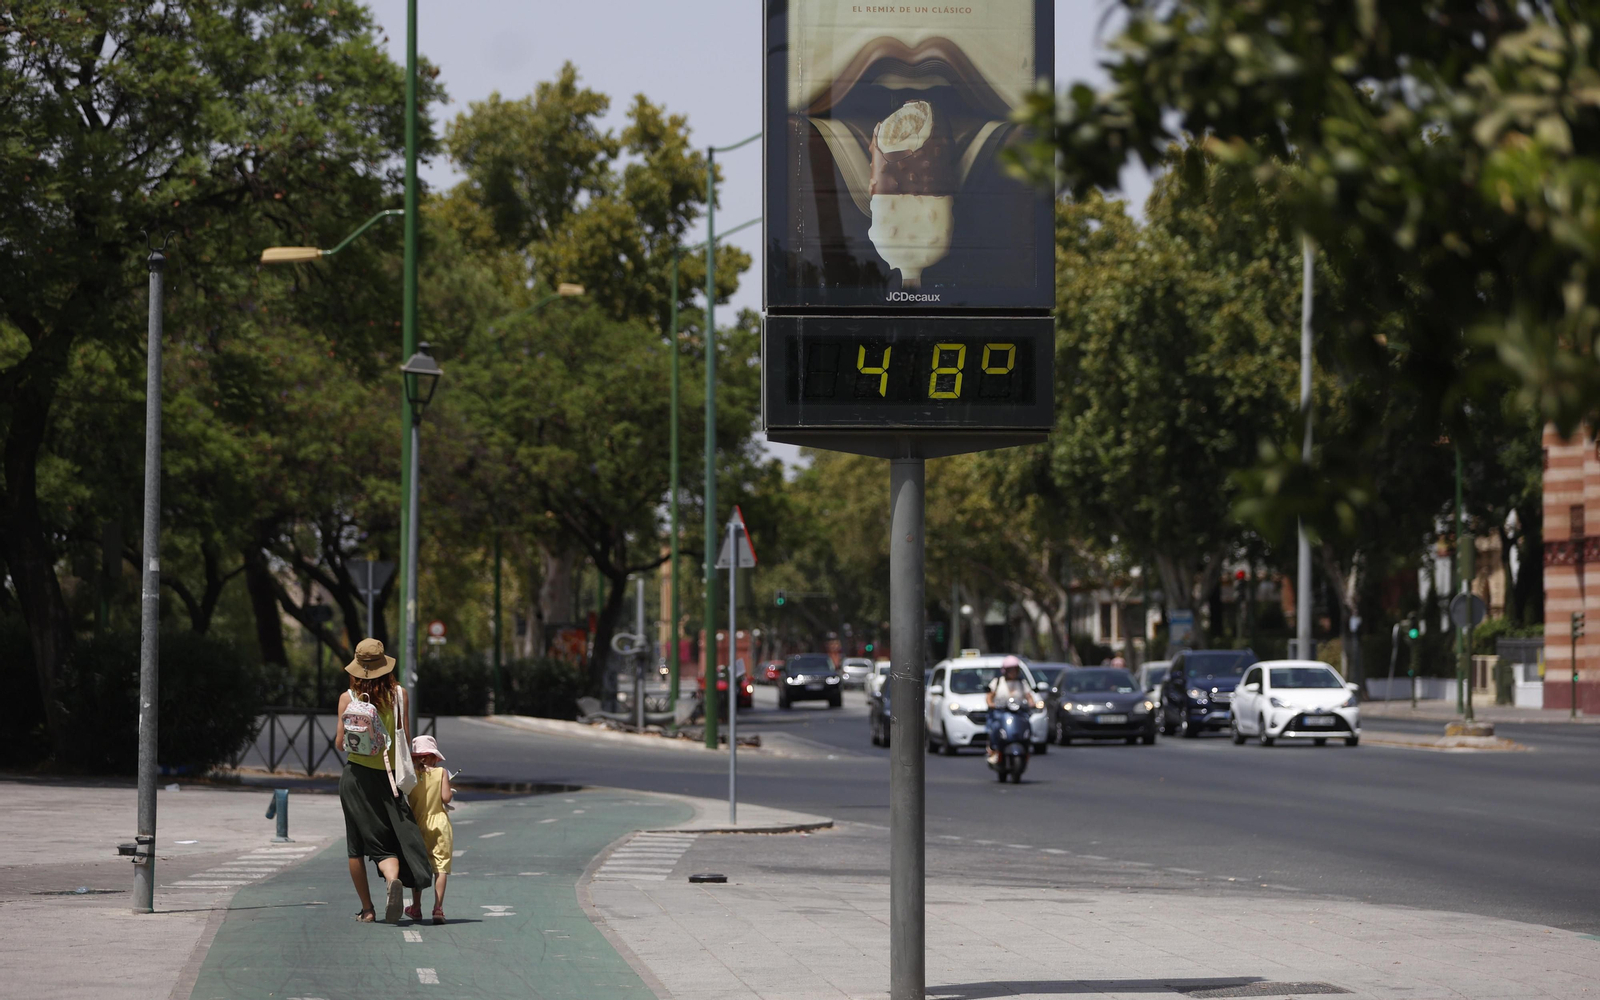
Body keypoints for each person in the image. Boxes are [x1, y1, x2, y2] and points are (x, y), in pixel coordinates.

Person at [337, 638, 432, 923]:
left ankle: (367, 910)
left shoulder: (347, 698)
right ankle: (392, 880)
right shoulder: (399, 695)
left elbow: (341, 743)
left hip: (354, 779)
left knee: (356, 846)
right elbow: (404, 737)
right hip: (388, 779)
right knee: (385, 841)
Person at [404, 735, 454, 925]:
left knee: (418, 865)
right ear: (434, 757)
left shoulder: (411, 775)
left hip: (417, 823)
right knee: (440, 867)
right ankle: (438, 908)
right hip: (439, 822)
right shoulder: (441, 772)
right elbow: (446, 798)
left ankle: (416, 908)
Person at [985, 655, 1040, 764]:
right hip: (1002, 711)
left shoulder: (1022, 683)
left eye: (1015, 669)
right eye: (1010, 670)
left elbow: (1028, 696)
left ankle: (1025, 746)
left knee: (1027, 724)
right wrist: (991, 704)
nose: (1013, 672)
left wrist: (1032, 703)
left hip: (1018, 712)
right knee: (995, 727)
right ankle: (994, 750)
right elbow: (990, 696)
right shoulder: (998, 682)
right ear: (1005, 671)